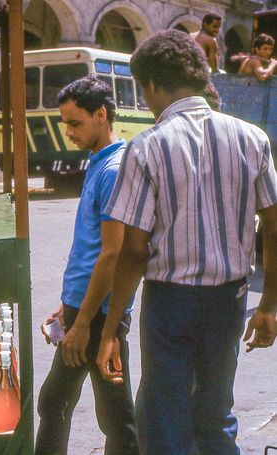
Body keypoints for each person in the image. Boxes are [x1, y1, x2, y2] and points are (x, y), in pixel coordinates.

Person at [96, 30, 277, 455]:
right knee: (215, 420)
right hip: (228, 301)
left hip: (170, 303)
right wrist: (268, 305)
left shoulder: (146, 148)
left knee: (165, 424)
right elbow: (273, 225)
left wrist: (109, 329)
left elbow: (134, 251)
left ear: (154, 85)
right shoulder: (252, 138)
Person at [35, 75, 138, 455]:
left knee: (109, 413)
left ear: (101, 115)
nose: (68, 132)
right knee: (63, 403)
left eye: (75, 123)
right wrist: (69, 306)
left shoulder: (112, 170)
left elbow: (112, 253)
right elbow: (91, 249)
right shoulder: (100, 162)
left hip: (97, 315)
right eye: (65, 123)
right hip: (83, 309)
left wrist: (82, 323)